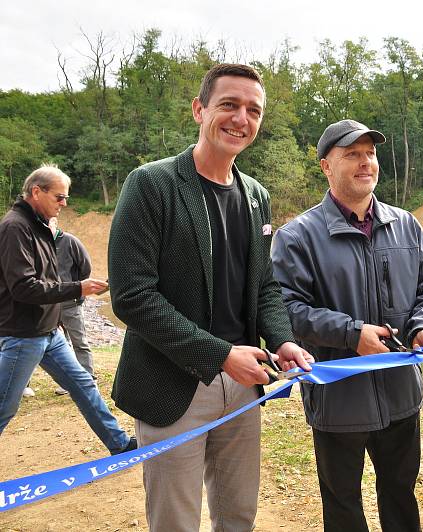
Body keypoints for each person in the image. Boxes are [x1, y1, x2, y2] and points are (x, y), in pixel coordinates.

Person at [108, 63, 314, 532]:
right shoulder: (150, 184)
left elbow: (264, 285)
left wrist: (281, 340)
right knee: (176, 521)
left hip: (243, 382)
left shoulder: (256, 195)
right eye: (229, 105)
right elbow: (132, 296)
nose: (241, 118)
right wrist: (219, 355)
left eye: (253, 110)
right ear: (200, 110)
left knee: (238, 514)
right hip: (172, 383)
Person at [271, 119, 423, 531]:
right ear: (326, 166)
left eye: (369, 153)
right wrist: (352, 334)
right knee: (343, 505)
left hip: (402, 394)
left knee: (401, 493)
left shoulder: (406, 224)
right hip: (338, 400)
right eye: (352, 154)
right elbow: (285, 310)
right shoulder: (297, 236)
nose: (365, 162)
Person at [0, 164, 135, 455]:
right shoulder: (15, 228)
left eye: (66, 198)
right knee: (4, 407)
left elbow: (47, 280)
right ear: (37, 192)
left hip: (48, 332)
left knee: (84, 386)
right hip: (23, 335)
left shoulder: (40, 226)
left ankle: (119, 444)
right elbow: (24, 288)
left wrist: (58, 316)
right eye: (59, 197)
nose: (64, 204)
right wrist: (78, 288)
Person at [48, 217, 95, 395]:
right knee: (58, 345)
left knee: (79, 342)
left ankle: (88, 379)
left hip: (71, 304)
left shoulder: (70, 241)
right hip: (49, 305)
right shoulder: (39, 243)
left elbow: (86, 267)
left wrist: (78, 291)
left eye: (49, 225)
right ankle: (67, 383)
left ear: (55, 224)